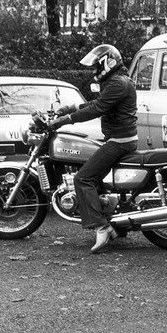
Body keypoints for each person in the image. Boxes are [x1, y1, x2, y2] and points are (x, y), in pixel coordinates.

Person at [49, 44, 138, 253]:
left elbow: (97, 108)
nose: (95, 71)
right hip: (119, 138)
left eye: (97, 67)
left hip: (120, 141)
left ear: (108, 63)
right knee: (94, 177)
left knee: (83, 178)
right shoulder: (116, 82)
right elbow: (98, 102)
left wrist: (65, 120)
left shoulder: (119, 83)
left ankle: (102, 226)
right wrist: (70, 108)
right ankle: (113, 223)